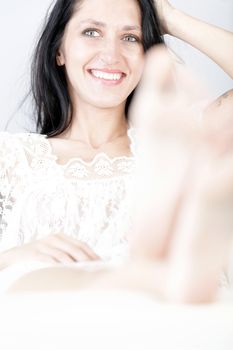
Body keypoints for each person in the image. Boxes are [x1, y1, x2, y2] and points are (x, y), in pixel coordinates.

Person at [0, 0, 233, 302]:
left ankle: (154, 271)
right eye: (91, 32)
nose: (111, 54)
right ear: (59, 50)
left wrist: (170, 17)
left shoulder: (180, 144)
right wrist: (11, 257)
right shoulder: (10, 158)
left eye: (130, 37)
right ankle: (145, 273)